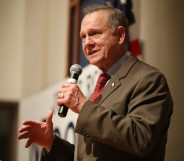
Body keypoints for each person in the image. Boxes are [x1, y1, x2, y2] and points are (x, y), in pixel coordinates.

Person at [17, 4, 173, 161]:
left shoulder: (148, 79)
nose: (87, 43)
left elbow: (140, 138)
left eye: (94, 34)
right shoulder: (96, 93)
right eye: (83, 37)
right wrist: (51, 143)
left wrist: (83, 106)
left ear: (120, 35)